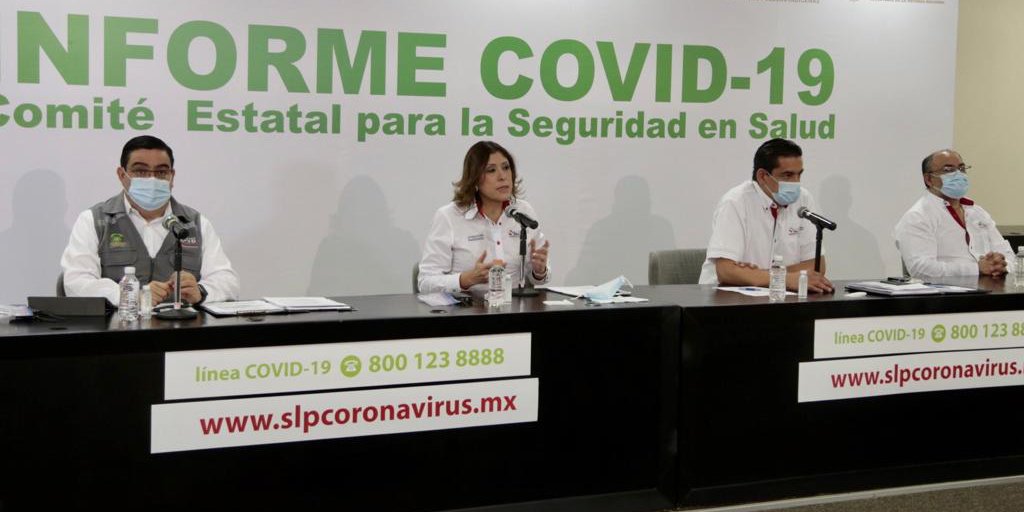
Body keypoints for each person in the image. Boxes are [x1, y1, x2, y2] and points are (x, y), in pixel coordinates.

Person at [60, 135, 240, 306]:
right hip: (118, 325)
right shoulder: (94, 220)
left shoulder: (195, 223)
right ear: (122, 175)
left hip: (182, 325)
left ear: (172, 176)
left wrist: (201, 291)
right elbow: (76, 281)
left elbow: (227, 281)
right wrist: (131, 295)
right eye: (140, 171)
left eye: (161, 172)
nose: (152, 179)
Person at [698, 138, 834, 293]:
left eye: (799, 174)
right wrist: (786, 279)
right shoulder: (735, 202)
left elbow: (816, 266)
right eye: (787, 175)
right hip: (724, 297)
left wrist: (757, 275)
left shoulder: (803, 199)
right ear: (763, 176)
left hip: (777, 295)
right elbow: (726, 271)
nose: (796, 182)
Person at [418, 141, 550, 295]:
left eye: (506, 167)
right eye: (491, 170)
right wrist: (465, 279)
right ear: (474, 178)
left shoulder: (523, 211)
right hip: (468, 307)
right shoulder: (449, 216)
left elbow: (539, 279)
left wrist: (539, 271)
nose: (502, 176)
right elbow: (425, 282)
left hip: (514, 305)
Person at [894, 149, 1013, 279]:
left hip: (992, 287)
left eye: (961, 168)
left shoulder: (977, 212)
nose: (958, 174)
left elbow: (1009, 256)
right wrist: (976, 269)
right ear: (929, 179)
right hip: (945, 290)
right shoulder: (917, 217)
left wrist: (1000, 266)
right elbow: (920, 269)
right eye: (948, 170)